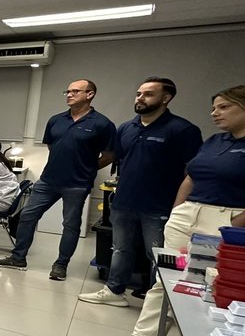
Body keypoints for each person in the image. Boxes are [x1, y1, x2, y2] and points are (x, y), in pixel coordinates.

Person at [114, 85, 245, 336]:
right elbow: (190, 176)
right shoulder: (215, 141)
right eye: (213, 107)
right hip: (189, 213)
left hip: (231, 218)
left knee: (212, 284)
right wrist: (178, 210)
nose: (214, 113)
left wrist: (233, 226)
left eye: (223, 107)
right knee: (168, 278)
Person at [79, 78, 202, 309]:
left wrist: (179, 207)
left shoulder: (182, 130)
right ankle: (115, 290)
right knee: (120, 249)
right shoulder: (127, 127)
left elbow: (192, 173)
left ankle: (160, 303)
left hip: (159, 205)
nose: (140, 98)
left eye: (148, 94)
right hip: (125, 201)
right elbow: (117, 159)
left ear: (166, 98)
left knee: (158, 254)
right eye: (138, 93)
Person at [0, 80, 115, 280]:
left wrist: (88, 168)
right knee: (27, 216)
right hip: (48, 180)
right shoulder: (56, 120)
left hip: (77, 183)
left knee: (71, 225)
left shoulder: (102, 124)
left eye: (75, 91)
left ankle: (60, 265)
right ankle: (18, 257)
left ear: (90, 94)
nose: (69, 94)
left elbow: (109, 155)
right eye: (67, 91)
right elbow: (53, 147)